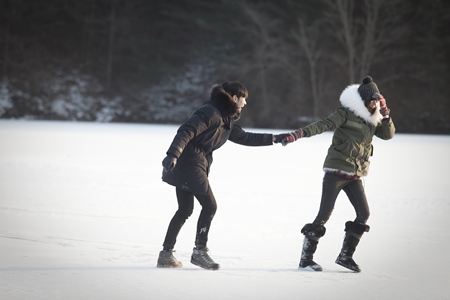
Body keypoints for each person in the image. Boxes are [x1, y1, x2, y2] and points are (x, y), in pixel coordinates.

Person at [157, 81, 290, 270]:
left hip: (192, 163)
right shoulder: (210, 112)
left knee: (185, 209)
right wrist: (173, 154)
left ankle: (166, 255)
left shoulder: (226, 120)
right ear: (235, 98)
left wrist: (275, 139)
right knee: (210, 206)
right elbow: (187, 130)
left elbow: (246, 137)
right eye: (243, 99)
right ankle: (199, 252)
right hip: (189, 163)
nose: (245, 103)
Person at [281, 76, 395, 272]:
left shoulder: (373, 120)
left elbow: (388, 135)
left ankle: (345, 256)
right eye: (372, 100)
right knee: (324, 215)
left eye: (377, 101)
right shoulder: (346, 113)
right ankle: (306, 260)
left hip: (355, 174)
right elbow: (323, 124)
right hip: (336, 171)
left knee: (364, 213)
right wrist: (299, 134)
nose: (375, 104)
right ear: (363, 100)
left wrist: (386, 116)